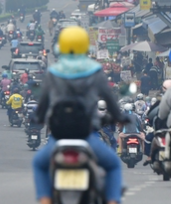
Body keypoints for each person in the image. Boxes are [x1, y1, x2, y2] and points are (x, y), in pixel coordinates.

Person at [32, 26, 125, 204]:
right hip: (87, 134)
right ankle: (113, 201)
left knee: (39, 164)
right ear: (85, 47)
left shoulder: (53, 72)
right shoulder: (95, 71)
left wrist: (37, 119)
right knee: (113, 165)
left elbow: (42, 105)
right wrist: (120, 117)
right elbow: (109, 99)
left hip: (59, 137)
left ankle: (44, 200)